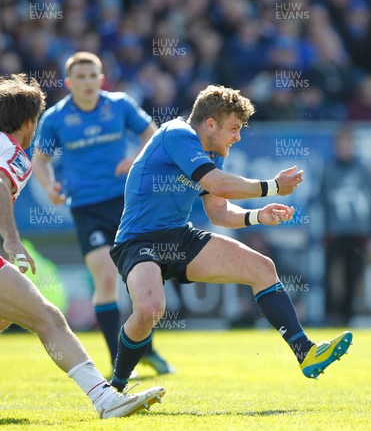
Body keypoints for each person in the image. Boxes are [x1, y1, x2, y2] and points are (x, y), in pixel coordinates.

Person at [108, 85, 352, 391]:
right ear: (210, 124)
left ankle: (306, 353)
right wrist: (273, 187)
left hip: (179, 237)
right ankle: (116, 388)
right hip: (138, 240)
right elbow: (217, 183)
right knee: (149, 310)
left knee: (262, 268)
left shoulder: (212, 152)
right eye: (234, 129)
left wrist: (257, 216)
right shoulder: (176, 134)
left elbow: (219, 212)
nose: (238, 137)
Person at [0, 73, 164, 418]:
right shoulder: (11, 151)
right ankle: (106, 400)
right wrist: (12, 240)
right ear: (30, 123)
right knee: (48, 318)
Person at [32, 52, 173, 375]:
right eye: (79, 77)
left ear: (101, 78)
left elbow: (152, 135)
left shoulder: (119, 105)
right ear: (69, 83)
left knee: (140, 281)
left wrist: (134, 159)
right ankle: (119, 361)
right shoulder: (55, 118)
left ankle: (148, 349)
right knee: (106, 277)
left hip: (127, 203)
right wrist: (50, 185)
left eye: (92, 75)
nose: (87, 82)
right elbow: (40, 160)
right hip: (86, 208)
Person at [321, 127, 371, 325]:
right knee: (330, 275)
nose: (345, 148)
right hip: (334, 232)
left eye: (348, 144)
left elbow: (369, 201)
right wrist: (324, 229)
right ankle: (330, 314)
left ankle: (349, 315)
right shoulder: (328, 169)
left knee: (354, 274)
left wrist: (368, 229)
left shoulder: (362, 170)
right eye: (342, 144)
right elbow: (321, 200)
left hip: (357, 232)